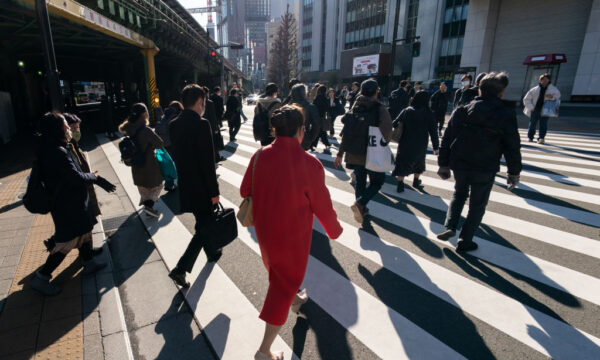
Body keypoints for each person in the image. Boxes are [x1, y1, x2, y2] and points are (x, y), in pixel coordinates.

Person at [240, 105, 343, 360]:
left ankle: (295, 300)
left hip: (266, 233)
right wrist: (335, 230)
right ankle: (264, 351)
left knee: (279, 274)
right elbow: (323, 205)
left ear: (274, 130)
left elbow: (244, 190)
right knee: (282, 285)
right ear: (301, 131)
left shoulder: (259, 156)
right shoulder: (310, 163)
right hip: (293, 238)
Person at [30, 112, 116, 295]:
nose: (69, 129)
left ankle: (88, 262)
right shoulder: (56, 152)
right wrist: (94, 177)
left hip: (73, 202)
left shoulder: (56, 147)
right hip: (67, 205)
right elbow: (75, 177)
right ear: (57, 130)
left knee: (84, 232)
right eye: (66, 126)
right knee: (66, 243)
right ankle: (41, 277)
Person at [437, 72, 522, 252]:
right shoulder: (506, 114)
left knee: (459, 194)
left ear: (479, 90)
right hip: (485, 166)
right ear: (501, 93)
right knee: (478, 204)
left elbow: (446, 138)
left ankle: (450, 226)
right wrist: (513, 172)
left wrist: (443, 163)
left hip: (460, 163)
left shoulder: (462, 110)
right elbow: (512, 146)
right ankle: (465, 241)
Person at [168, 85, 222, 287]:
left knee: (203, 221)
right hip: (202, 185)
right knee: (204, 226)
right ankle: (180, 269)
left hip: (186, 183)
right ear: (200, 102)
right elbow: (208, 163)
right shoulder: (202, 124)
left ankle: (213, 252)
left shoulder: (174, 124)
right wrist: (214, 192)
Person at [335, 79, 393, 223]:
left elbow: (346, 132)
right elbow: (387, 132)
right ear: (376, 92)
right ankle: (361, 203)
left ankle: (361, 208)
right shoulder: (379, 109)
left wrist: (340, 154)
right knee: (377, 181)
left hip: (354, 153)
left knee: (360, 181)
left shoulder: (355, 107)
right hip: (372, 153)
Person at [119, 103, 164, 218]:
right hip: (150, 166)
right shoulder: (146, 130)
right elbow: (159, 143)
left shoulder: (128, 128)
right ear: (144, 114)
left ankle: (148, 211)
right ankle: (149, 207)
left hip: (136, 165)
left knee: (143, 189)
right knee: (158, 186)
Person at [393, 91, 440, 192]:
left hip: (405, 141)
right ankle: (415, 180)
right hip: (420, 143)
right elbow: (433, 131)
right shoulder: (428, 113)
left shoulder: (407, 110)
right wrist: (436, 147)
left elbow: (394, 123)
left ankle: (400, 184)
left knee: (402, 162)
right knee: (418, 162)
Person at [523, 73, 561, 144]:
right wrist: (531, 107)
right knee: (532, 124)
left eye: (546, 79)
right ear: (540, 80)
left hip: (546, 110)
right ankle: (530, 137)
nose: (544, 81)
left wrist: (552, 97)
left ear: (549, 80)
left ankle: (541, 138)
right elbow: (526, 99)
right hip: (535, 109)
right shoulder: (534, 89)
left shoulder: (553, 89)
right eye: (543, 79)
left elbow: (558, 97)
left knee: (543, 124)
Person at [289, 83, 321, 150]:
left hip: (287, 138)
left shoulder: (287, 106)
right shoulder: (310, 107)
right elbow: (316, 125)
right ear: (304, 93)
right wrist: (310, 138)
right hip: (304, 138)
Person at [311, 84, 332, 152]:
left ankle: (323, 143)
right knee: (321, 131)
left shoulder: (316, 97)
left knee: (320, 131)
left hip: (316, 116)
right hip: (322, 116)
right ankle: (323, 143)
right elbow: (327, 108)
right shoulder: (324, 98)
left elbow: (313, 106)